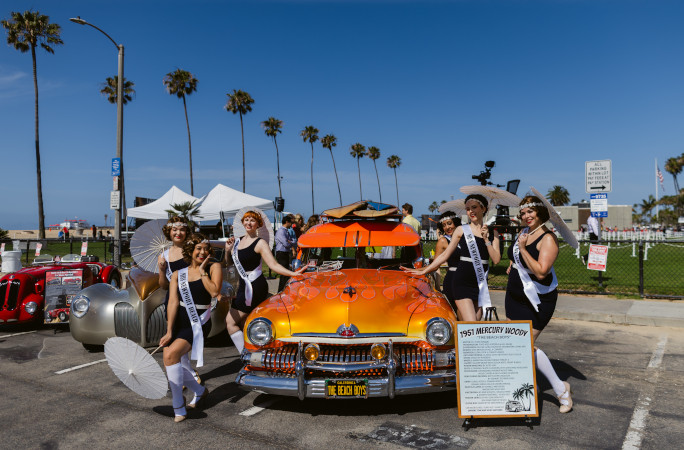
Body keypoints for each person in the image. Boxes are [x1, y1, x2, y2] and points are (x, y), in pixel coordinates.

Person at [505, 195, 573, 413]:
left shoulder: (548, 239)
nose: (526, 216)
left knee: (522, 346)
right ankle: (512, 390)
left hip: (538, 300)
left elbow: (542, 272)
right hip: (515, 298)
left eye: (530, 212)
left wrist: (523, 250)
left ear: (541, 213)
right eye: (523, 213)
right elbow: (517, 258)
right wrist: (512, 263)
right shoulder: (525, 233)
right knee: (513, 345)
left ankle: (560, 387)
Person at [223, 210, 310, 355]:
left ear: (258, 224)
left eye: (252, 220)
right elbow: (229, 264)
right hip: (243, 286)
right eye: (246, 220)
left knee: (231, 322)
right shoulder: (237, 241)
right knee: (248, 323)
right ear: (242, 222)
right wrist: (227, 251)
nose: (249, 223)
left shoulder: (260, 243)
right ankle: (258, 353)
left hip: (255, 286)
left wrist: (293, 273)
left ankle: (246, 355)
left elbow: (273, 265)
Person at [403, 194, 501, 321]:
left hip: (480, 284)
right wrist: (424, 270)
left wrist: (487, 239)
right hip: (462, 282)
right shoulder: (461, 230)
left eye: (474, 207)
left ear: (483, 209)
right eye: (468, 208)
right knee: (470, 323)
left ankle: (459, 341)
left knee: (475, 323)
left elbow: (496, 259)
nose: (471, 211)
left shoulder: (493, 233)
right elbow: (444, 255)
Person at [160, 233, 222, 422]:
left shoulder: (214, 267)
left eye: (206, 249)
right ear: (190, 251)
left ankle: (179, 407)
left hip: (199, 322)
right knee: (169, 357)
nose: (203, 252)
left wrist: (203, 271)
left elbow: (214, 291)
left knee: (171, 356)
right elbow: (172, 302)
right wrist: (169, 330)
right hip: (180, 320)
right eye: (198, 249)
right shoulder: (179, 274)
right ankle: (200, 390)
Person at [156, 217, 203, 390]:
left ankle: (187, 374)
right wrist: (162, 270)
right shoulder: (164, 255)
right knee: (175, 338)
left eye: (182, 229)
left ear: (187, 232)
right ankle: (186, 374)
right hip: (173, 301)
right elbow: (163, 285)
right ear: (169, 232)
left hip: (192, 300)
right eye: (174, 230)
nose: (178, 233)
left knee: (185, 339)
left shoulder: (192, 251)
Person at [433, 211, 461, 293]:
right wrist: (419, 271)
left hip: (469, 280)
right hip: (453, 280)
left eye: (449, 223)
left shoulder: (466, 238)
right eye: (444, 225)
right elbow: (435, 265)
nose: (447, 227)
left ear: (455, 223)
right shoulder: (443, 241)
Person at [274, 214, 297, 291]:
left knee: (286, 272)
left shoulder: (286, 231)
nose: (292, 224)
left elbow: (293, 241)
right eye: (291, 222)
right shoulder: (281, 231)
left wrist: (289, 241)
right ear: (287, 222)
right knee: (283, 273)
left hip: (285, 253)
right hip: (281, 253)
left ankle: (284, 289)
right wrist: (290, 242)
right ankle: (280, 290)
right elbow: (286, 244)